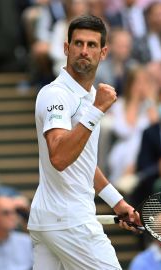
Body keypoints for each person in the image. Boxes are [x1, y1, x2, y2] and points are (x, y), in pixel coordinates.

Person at [27, 15, 141, 270]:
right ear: (66, 48)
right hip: (68, 220)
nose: (84, 51)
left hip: (52, 220)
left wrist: (117, 202)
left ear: (103, 53)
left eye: (91, 45)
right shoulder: (55, 94)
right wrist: (97, 110)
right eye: (78, 44)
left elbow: (83, 162)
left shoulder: (89, 97)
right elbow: (59, 157)